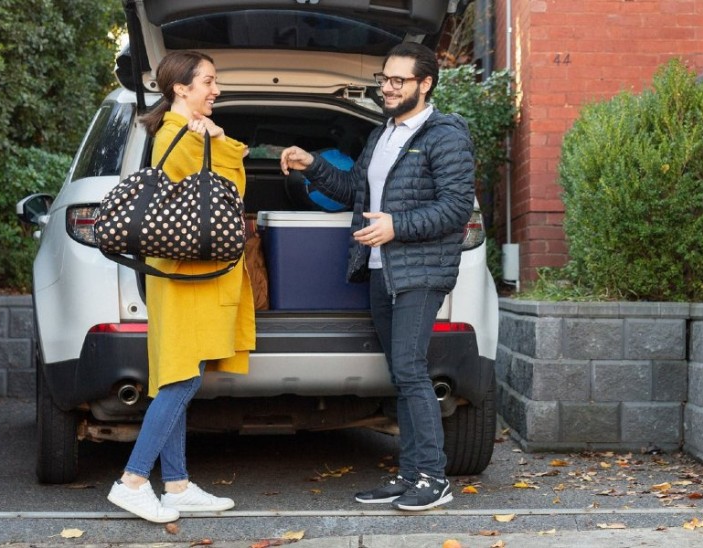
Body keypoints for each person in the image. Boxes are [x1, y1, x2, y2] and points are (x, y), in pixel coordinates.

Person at [278, 42, 475, 512]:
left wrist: (395, 225)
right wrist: (313, 164)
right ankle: (410, 475)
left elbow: (455, 208)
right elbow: (353, 189)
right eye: (385, 78)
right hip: (382, 268)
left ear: (425, 84)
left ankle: (432, 477)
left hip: (421, 271)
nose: (387, 87)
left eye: (398, 80)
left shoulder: (444, 135)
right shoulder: (381, 135)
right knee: (400, 373)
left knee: (410, 369)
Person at [105, 50, 256, 524]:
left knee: (177, 374)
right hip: (190, 277)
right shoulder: (184, 136)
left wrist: (216, 137)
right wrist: (223, 141)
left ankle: (177, 485)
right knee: (180, 378)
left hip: (183, 276)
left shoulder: (177, 133)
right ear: (180, 89)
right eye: (208, 82)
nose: (216, 90)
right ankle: (132, 481)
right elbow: (233, 194)